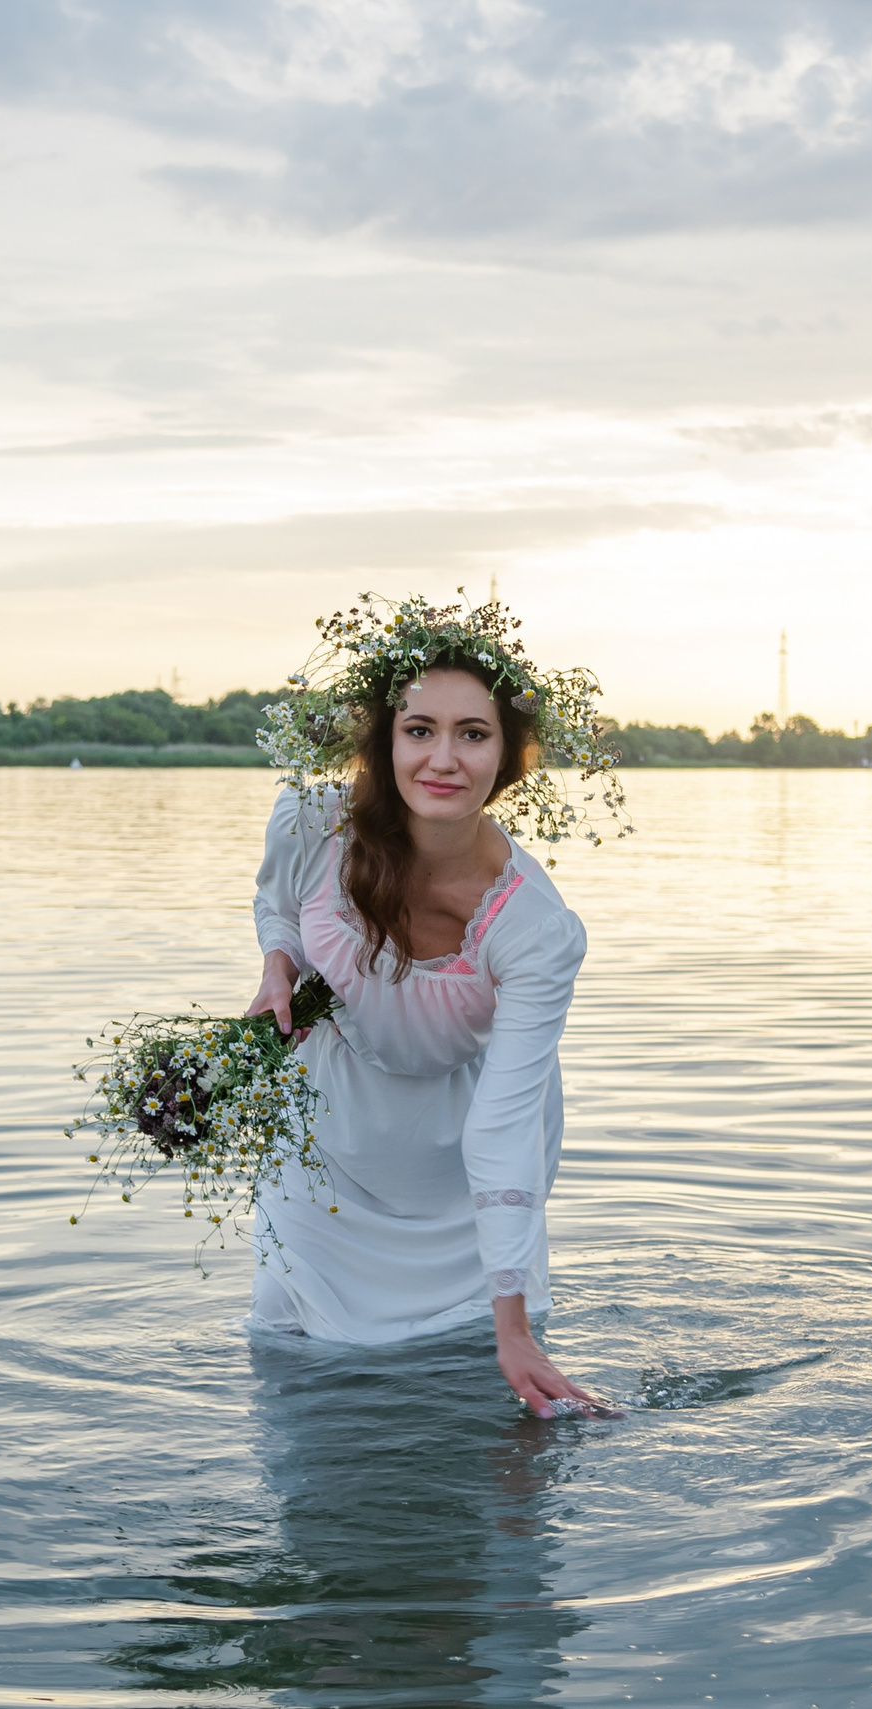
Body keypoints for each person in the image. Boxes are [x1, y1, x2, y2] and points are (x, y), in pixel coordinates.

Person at [243, 597, 624, 1416]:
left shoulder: (534, 928)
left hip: (462, 1149)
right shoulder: (311, 823)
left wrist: (513, 1326)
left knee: (476, 1392)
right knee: (296, 1367)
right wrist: (279, 968)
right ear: (385, 740)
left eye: (472, 733)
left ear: (511, 755)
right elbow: (278, 904)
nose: (442, 759)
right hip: (328, 1134)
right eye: (419, 729)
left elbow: (503, 1126)